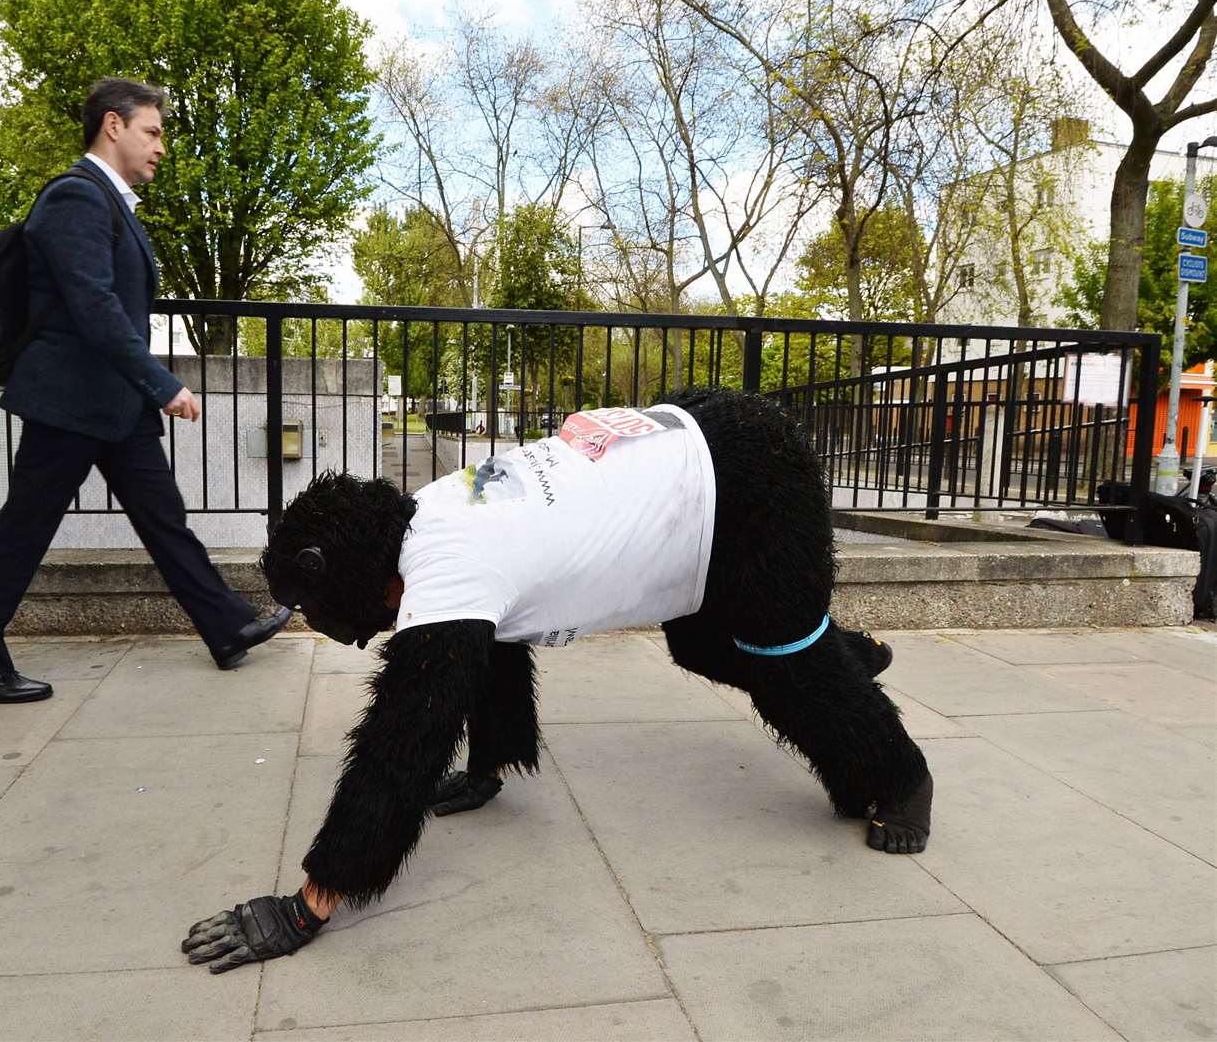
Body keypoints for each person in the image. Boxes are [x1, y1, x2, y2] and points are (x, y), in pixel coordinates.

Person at [180, 389, 932, 972]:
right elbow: (494, 640)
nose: (319, 622)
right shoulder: (434, 513)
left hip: (748, 482)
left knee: (783, 663)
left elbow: (398, 749)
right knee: (702, 646)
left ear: (334, 572)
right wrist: (487, 764)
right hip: (700, 448)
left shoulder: (448, 572)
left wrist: (307, 906)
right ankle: (840, 655)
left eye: (311, 605)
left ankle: (900, 776)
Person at [0, 77, 290, 704]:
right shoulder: (76, 197)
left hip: (111, 404)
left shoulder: (108, 202)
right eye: (152, 132)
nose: (160, 146)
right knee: (25, 529)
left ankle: (227, 624)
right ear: (113, 126)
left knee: (165, 520)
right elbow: (94, 307)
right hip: (71, 402)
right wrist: (161, 383)